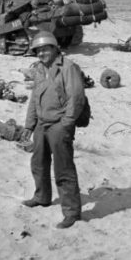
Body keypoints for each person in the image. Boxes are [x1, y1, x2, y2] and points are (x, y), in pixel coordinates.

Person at [21, 31, 85, 229]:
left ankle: (71, 212)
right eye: (38, 51)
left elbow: (76, 97)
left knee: (63, 169)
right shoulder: (40, 69)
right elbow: (34, 99)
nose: (41, 53)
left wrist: (67, 123)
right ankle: (42, 197)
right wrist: (29, 125)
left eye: (45, 49)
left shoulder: (68, 67)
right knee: (38, 162)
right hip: (41, 123)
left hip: (59, 124)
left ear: (55, 48)